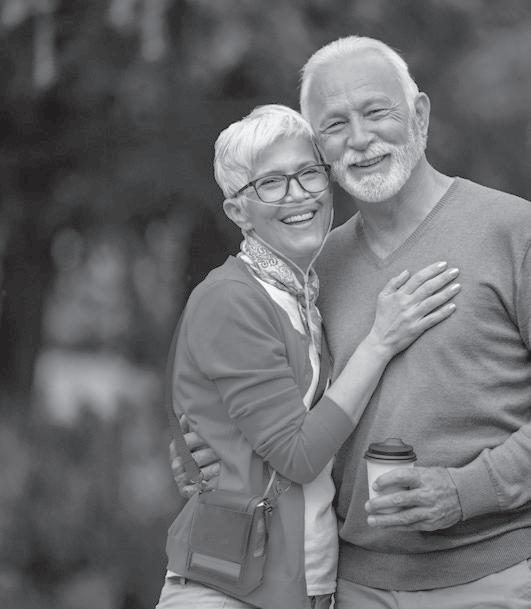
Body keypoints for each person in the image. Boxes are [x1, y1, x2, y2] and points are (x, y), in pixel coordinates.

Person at [172, 36, 531, 608]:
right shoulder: (313, 269)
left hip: (493, 576)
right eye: (335, 125)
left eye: (376, 111)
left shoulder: (512, 232)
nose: (360, 139)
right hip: (347, 586)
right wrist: (217, 450)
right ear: (319, 150)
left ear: (419, 115)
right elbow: (281, 414)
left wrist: (464, 491)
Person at [157, 103, 460, 609]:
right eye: (270, 184)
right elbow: (297, 456)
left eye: (308, 174)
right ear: (237, 211)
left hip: (311, 585)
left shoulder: (305, 295)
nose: (297, 194)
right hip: (231, 589)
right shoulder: (232, 299)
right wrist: (382, 340)